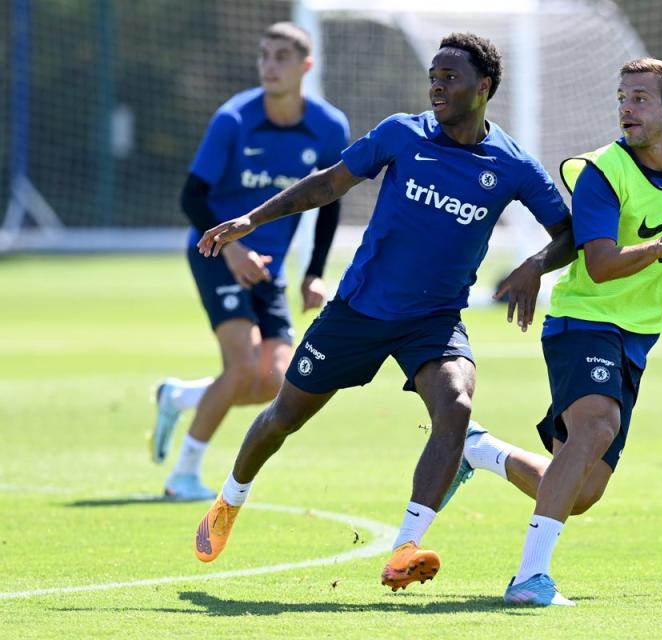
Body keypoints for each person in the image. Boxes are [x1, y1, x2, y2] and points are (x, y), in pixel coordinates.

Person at [190, 32, 575, 593]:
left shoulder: (512, 164)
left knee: (457, 402)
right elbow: (328, 183)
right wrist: (251, 221)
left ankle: (405, 548)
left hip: (434, 319)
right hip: (357, 312)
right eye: (434, 76)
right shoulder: (401, 132)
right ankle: (229, 499)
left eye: (451, 77)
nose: (437, 86)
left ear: (484, 87)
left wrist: (535, 265)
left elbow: (566, 233)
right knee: (283, 419)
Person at [441, 58, 662, 606]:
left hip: (637, 336)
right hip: (584, 322)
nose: (626, 109)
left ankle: (479, 450)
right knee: (597, 428)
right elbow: (600, 264)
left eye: (639, 98)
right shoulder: (601, 172)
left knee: (584, 491)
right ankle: (529, 580)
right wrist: (656, 247)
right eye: (621, 98)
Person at [150, 23, 350, 501]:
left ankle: (179, 397)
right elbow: (191, 197)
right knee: (241, 368)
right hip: (216, 250)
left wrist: (314, 272)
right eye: (264, 56)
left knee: (276, 381)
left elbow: (331, 201)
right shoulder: (233, 119)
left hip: (269, 267)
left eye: (281, 57)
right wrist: (233, 247)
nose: (269, 66)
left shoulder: (329, 127)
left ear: (305, 66)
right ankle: (183, 476)